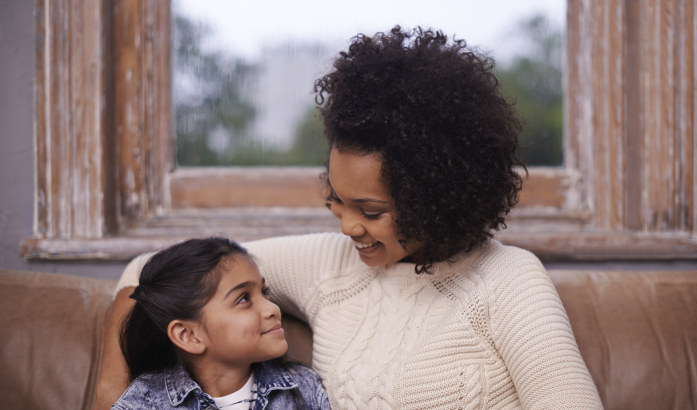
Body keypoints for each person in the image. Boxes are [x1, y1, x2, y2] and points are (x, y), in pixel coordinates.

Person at [96, 26, 604, 409]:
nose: (347, 227)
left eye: (372, 211)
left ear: (438, 197)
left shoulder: (509, 281)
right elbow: (147, 275)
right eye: (337, 201)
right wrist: (109, 396)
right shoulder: (330, 265)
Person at [111, 237, 330, 410]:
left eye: (265, 292)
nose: (272, 309)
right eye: (244, 298)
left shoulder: (303, 387)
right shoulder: (142, 404)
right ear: (188, 335)